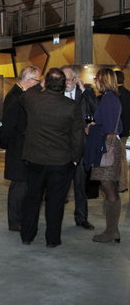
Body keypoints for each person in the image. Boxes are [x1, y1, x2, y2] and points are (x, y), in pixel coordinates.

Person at [20, 68, 84, 248]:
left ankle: (27, 235)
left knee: (32, 199)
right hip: (61, 162)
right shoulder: (71, 106)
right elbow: (77, 136)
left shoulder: (32, 100)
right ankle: (52, 239)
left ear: (45, 83)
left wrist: (39, 84)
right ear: (64, 85)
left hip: (35, 160)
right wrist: (75, 159)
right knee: (55, 202)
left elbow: (25, 92)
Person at [0, 65, 41, 232]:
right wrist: (8, 145)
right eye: (38, 80)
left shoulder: (21, 95)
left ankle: (20, 218)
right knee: (19, 185)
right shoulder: (16, 97)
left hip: (22, 147)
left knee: (22, 185)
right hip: (18, 148)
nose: (40, 84)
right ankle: (15, 221)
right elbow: (9, 126)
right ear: (29, 80)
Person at [84, 68, 123, 243]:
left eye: (96, 78)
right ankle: (112, 230)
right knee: (111, 187)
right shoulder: (113, 98)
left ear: (103, 80)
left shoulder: (108, 99)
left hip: (107, 148)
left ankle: (111, 231)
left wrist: (91, 127)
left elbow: (107, 128)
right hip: (113, 146)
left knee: (108, 188)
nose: (95, 82)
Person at [61, 65, 98, 230]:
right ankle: (56, 218)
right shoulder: (56, 94)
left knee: (80, 186)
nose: (66, 83)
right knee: (58, 187)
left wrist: (84, 90)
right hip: (60, 148)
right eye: (63, 79)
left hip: (80, 148)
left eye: (69, 79)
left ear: (76, 79)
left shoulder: (84, 95)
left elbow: (96, 111)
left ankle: (82, 218)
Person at [115, 70, 129, 193]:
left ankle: (121, 184)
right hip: (125, 130)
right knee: (123, 158)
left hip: (117, 130)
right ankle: (123, 183)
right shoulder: (128, 93)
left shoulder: (115, 95)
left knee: (119, 158)